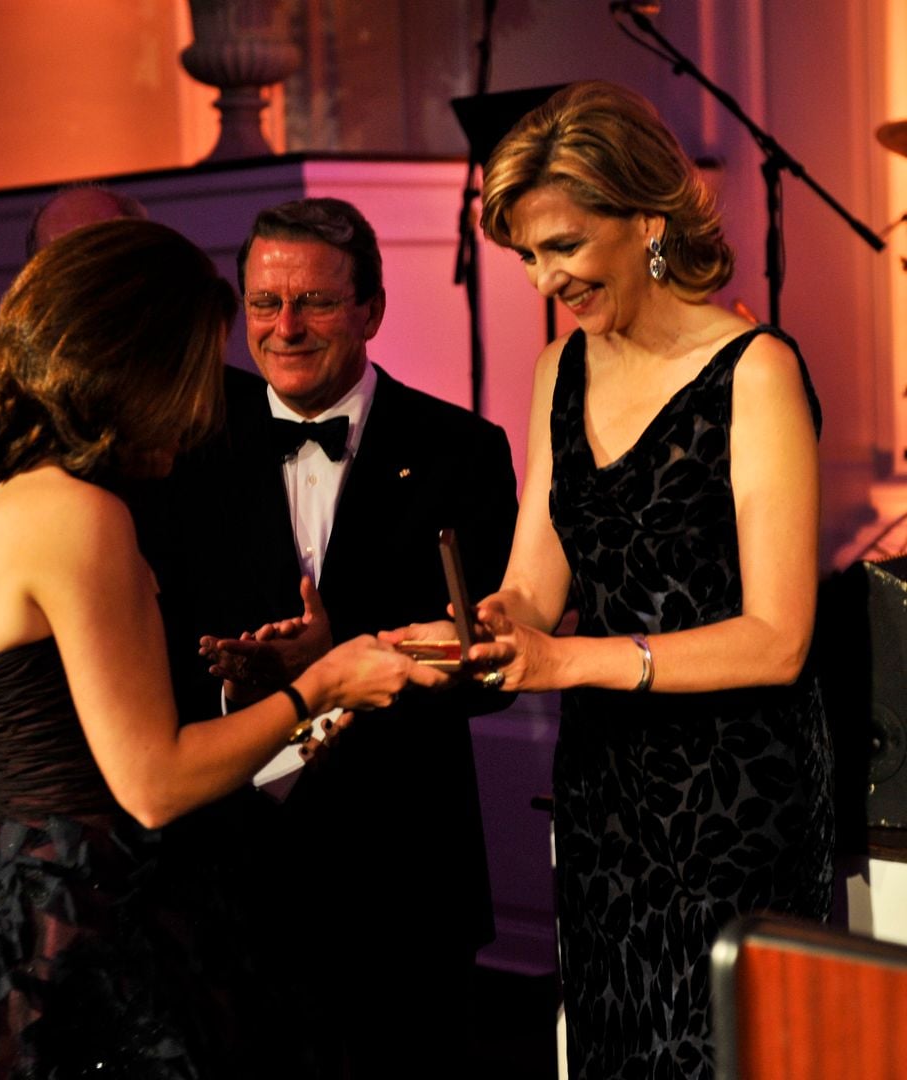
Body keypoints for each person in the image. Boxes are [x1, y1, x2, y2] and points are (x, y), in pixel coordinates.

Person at [0, 218, 441, 1079]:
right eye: (196, 369)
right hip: (95, 939)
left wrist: (281, 708)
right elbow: (154, 786)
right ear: (135, 365)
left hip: (25, 918)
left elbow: (87, 753)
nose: (205, 404)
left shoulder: (7, 506)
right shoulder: (79, 516)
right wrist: (325, 684)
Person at [393, 81, 835, 1078]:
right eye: (528, 256)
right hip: (607, 802)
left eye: (564, 246)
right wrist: (485, 627)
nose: (546, 280)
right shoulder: (561, 369)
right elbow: (533, 590)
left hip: (737, 802)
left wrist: (569, 657)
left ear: (645, 219)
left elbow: (779, 638)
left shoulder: (756, 370)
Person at [140, 196, 519, 1078]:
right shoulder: (182, 451)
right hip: (232, 875)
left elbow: (496, 670)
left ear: (370, 310)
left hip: (404, 871)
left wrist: (344, 652)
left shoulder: (463, 448)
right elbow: (149, 649)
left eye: (312, 302)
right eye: (267, 304)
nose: (285, 327)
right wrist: (239, 679)